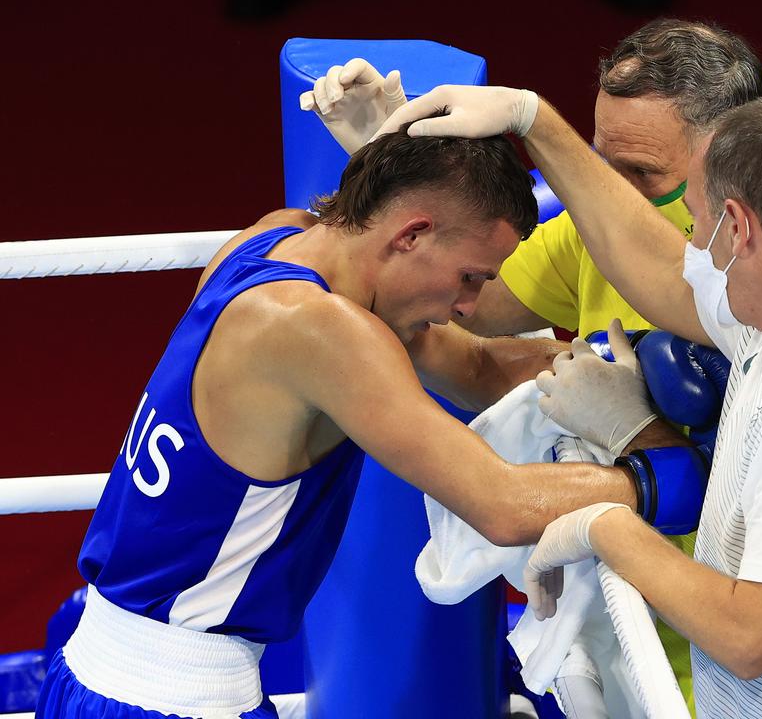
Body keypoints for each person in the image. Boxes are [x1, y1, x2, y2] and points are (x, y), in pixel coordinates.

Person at [377, 89, 762, 717]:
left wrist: (602, 527)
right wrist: (535, 120)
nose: (694, 253)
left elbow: (752, 638)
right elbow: (655, 264)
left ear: (739, 226)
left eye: (697, 224)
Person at [36, 127, 640, 719]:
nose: (469, 306)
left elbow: (475, 365)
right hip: (177, 697)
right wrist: (661, 472)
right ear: (412, 234)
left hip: (91, 670)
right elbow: (503, 504)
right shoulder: (326, 332)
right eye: (470, 276)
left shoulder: (274, 240)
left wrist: (622, 364)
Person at [305, 23, 762, 711]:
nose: (610, 194)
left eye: (642, 175)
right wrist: (397, 182)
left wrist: (637, 437)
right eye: (600, 164)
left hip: (744, 636)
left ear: (739, 170)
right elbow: (468, 300)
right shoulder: (593, 228)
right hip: (622, 611)